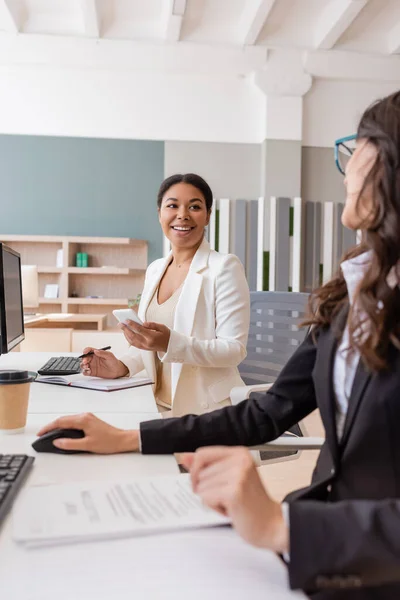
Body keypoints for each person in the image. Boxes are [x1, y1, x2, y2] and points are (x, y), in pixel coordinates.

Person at [38, 92, 400, 598]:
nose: (344, 167)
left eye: (357, 146)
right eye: (171, 205)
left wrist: (282, 526)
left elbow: (229, 351)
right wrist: (126, 429)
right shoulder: (349, 296)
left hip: (353, 560)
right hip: (314, 539)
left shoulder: (224, 266)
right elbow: (267, 410)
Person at [80, 173, 250, 417]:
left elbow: (234, 350)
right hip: (154, 405)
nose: (183, 214)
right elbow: (147, 344)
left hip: (205, 411)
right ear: (159, 213)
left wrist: (170, 343)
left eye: (195, 206)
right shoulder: (155, 269)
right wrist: (121, 366)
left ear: (208, 215)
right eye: (173, 205)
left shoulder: (224, 267)